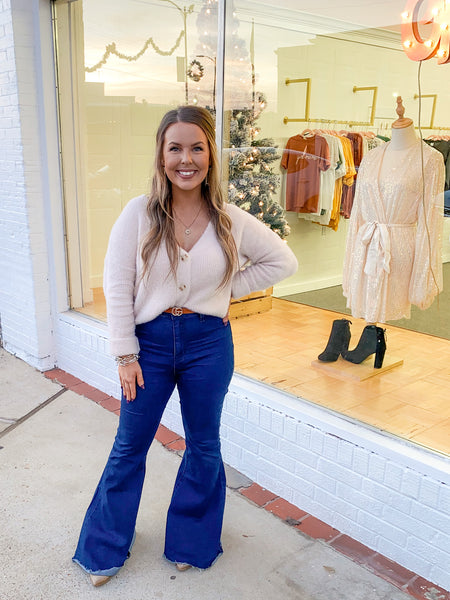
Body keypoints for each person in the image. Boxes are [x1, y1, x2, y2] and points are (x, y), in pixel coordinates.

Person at [72, 105, 298, 587]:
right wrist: (124, 353)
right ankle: (103, 547)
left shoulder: (229, 219)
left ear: (211, 154)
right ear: (161, 154)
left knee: (203, 444)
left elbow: (282, 262)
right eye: (175, 147)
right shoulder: (138, 213)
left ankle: (192, 541)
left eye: (197, 147)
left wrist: (222, 292)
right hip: (148, 346)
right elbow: (117, 284)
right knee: (129, 445)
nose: (186, 159)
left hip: (207, 346)